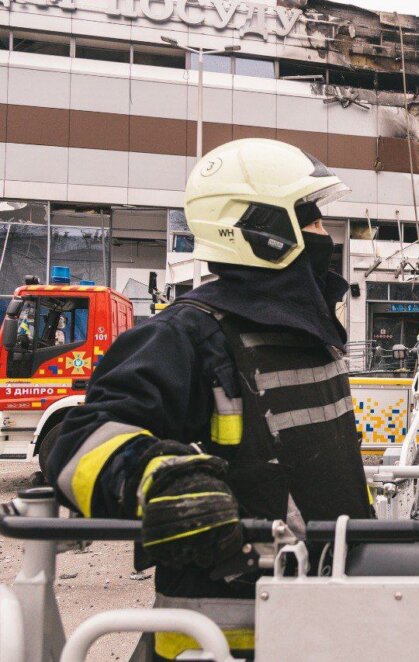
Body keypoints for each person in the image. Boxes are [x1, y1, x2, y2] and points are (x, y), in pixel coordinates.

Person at [46, 139, 373, 661]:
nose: (322, 234)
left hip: (328, 617)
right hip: (221, 640)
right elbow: (76, 438)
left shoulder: (311, 332)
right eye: (307, 217)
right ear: (263, 229)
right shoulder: (186, 334)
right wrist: (163, 479)